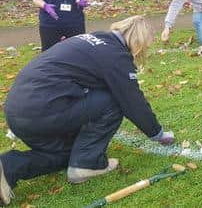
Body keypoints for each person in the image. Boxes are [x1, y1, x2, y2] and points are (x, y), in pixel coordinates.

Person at [0, 16, 174, 206]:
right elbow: (133, 102)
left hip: (18, 113)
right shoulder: (115, 55)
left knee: (68, 155)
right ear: (139, 41)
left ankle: (8, 167)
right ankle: (87, 164)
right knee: (114, 101)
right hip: (42, 111)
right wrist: (157, 134)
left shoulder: (90, 40)